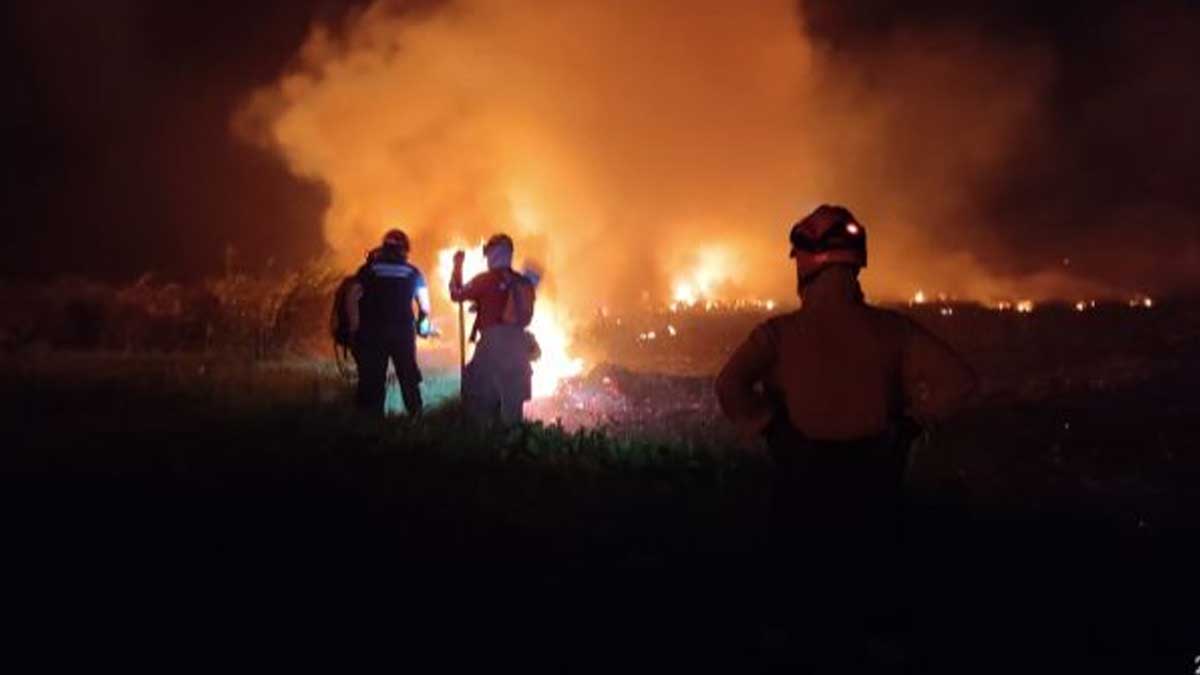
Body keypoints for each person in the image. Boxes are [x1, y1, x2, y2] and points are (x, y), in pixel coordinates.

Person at [714, 204, 977, 665]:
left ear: (808, 264)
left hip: (800, 497)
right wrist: (912, 424)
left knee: (797, 623)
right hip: (875, 497)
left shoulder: (778, 335)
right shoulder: (893, 332)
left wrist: (768, 427)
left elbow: (728, 385)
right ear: (856, 263)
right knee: (876, 622)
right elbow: (959, 380)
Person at [449, 234, 538, 426]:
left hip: (493, 346)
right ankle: (515, 448)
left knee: (478, 398)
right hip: (519, 348)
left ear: (493, 254)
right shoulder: (524, 282)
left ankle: (484, 447)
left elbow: (456, 294)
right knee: (513, 410)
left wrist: (457, 266)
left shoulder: (486, 280)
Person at [344, 229, 432, 416]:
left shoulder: (369, 270)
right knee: (408, 377)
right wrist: (422, 327)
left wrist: (354, 326)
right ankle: (416, 420)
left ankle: (371, 427)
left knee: (372, 379)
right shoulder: (413, 272)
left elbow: (352, 295)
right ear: (405, 250)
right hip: (402, 334)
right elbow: (425, 307)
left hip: (373, 333)